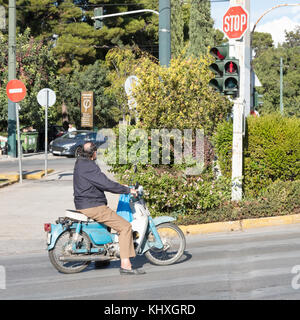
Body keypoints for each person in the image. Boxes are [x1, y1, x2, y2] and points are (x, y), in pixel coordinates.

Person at [73, 142, 146, 275]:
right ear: (93, 153)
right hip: (93, 205)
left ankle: (101, 260)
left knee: (107, 224)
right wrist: (127, 190)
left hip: (85, 203)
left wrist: (121, 186)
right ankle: (126, 265)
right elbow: (105, 184)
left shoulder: (80, 163)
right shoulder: (89, 166)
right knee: (125, 227)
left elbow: (97, 183)